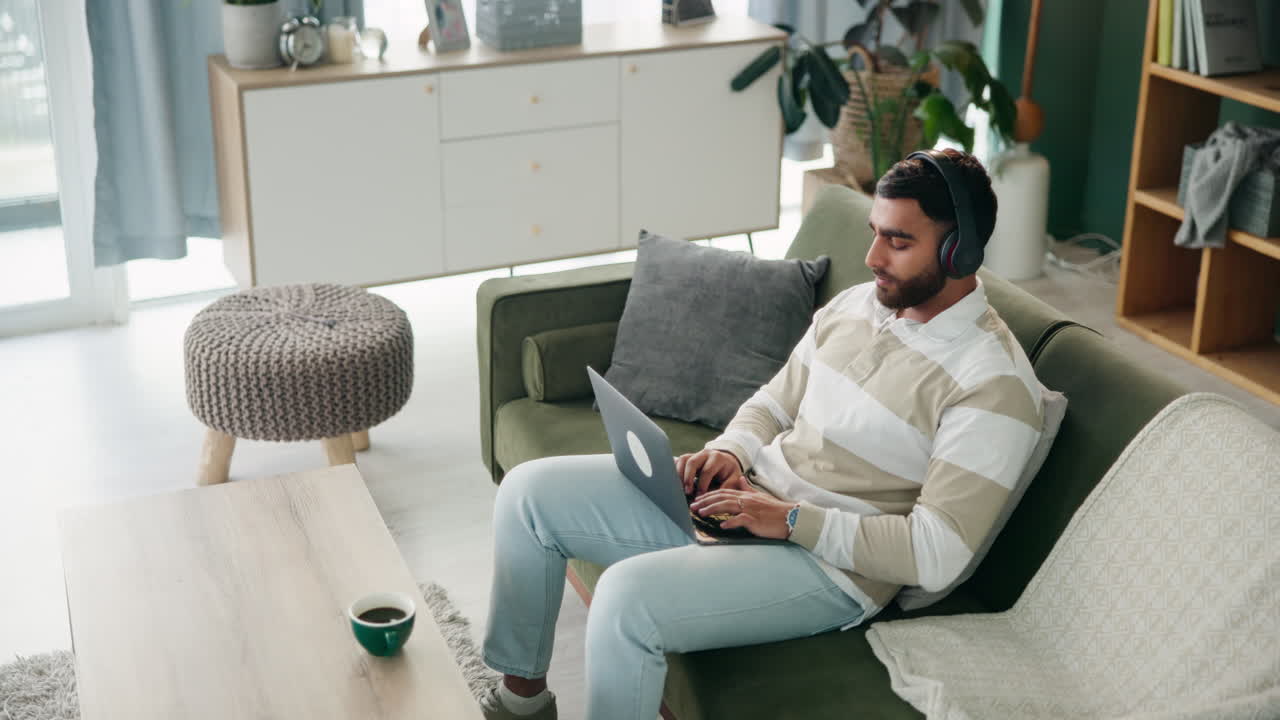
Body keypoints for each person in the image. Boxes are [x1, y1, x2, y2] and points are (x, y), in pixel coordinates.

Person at [479, 149, 1045, 720]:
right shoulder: (859, 304)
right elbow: (773, 402)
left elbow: (937, 551)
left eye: (898, 242)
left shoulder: (993, 384)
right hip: (745, 498)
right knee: (528, 495)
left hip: (829, 568)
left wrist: (791, 520)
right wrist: (731, 449)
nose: (872, 256)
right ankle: (520, 707)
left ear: (959, 251)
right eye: (875, 233)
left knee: (626, 601)